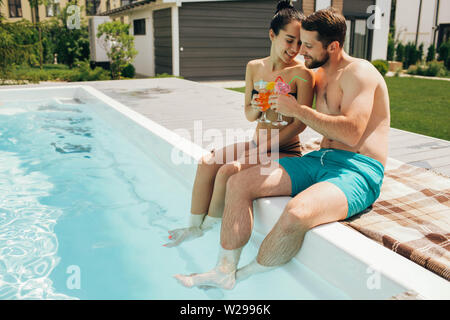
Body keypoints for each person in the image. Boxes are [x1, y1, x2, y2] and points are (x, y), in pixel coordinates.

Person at [174, 8, 390, 289]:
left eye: (309, 46)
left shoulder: (360, 73)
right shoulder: (320, 74)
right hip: (319, 159)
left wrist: (297, 110)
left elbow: (352, 133)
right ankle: (223, 269)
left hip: (357, 169)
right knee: (238, 182)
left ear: (333, 46)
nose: (302, 52)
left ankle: (242, 276)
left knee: (297, 213)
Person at [164, 0, 314, 247]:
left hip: (284, 150)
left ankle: (208, 231)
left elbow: (300, 125)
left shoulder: (302, 74)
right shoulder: (254, 67)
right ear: (272, 34)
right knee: (207, 163)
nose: (295, 48)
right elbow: (248, 114)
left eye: (299, 42)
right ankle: (193, 226)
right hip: (257, 142)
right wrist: (257, 106)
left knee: (227, 171)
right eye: (289, 40)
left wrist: (267, 144)